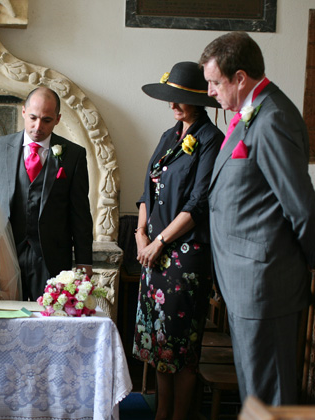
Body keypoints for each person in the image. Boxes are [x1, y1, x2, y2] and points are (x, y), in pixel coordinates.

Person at [200, 31, 315, 405]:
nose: (211, 92)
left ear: (240, 78)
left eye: (215, 83)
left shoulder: (274, 118)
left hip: (266, 283)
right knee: (255, 392)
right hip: (244, 280)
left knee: (269, 394)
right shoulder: (253, 112)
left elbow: (300, 206)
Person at [132, 61, 223, 420]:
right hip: (153, 254)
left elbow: (198, 204)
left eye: (180, 98)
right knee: (159, 347)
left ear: (199, 101)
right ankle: (161, 413)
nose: (173, 104)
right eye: (171, 97)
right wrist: (141, 235)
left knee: (181, 349)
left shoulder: (210, 140)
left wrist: (160, 242)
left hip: (185, 258)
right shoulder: (169, 136)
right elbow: (147, 190)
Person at [0, 86, 93, 301]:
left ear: (57, 119)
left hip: (52, 258)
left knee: (49, 323)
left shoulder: (74, 155)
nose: (38, 126)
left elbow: (80, 213)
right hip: (5, 253)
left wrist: (84, 261)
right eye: (33, 118)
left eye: (46, 120)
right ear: (23, 112)